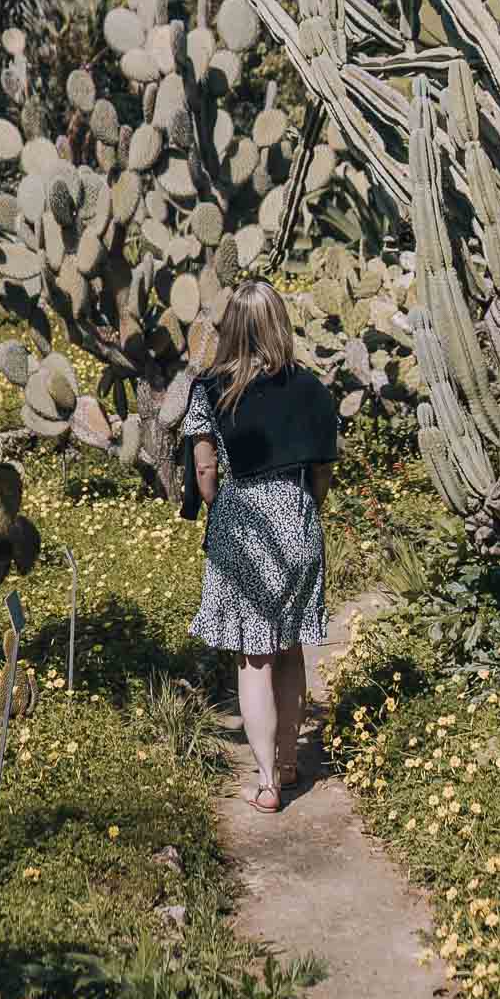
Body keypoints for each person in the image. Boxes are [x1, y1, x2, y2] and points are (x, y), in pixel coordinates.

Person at [185, 278, 339, 812]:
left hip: (244, 523)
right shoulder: (310, 387)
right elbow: (322, 469)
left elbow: (205, 468)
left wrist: (215, 501)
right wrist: (305, 512)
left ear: (232, 328)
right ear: (279, 324)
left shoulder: (209, 389)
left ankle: (269, 782)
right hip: (297, 520)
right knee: (291, 645)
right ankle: (293, 761)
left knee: (255, 657)